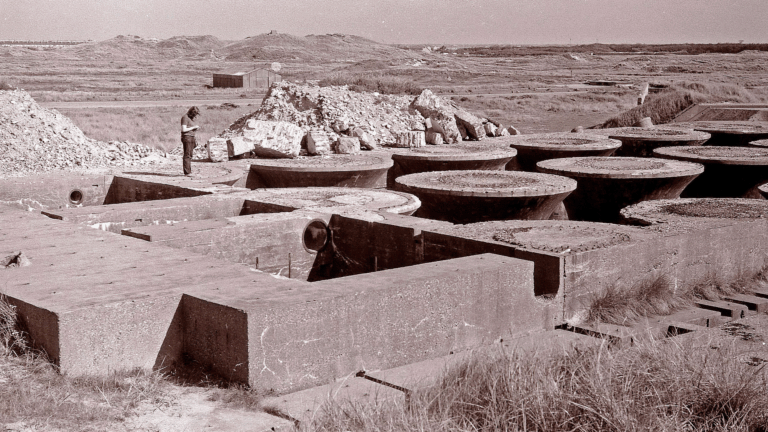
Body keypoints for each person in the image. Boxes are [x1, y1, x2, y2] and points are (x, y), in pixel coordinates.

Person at [180, 106, 201, 176]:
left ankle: (188, 171)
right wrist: (193, 127)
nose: (195, 116)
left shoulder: (190, 118)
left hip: (191, 137)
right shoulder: (185, 118)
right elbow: (183, 129)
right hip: (187, 137)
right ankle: (187, 172)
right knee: (187, 155)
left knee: (190, 154)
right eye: (194, 114)